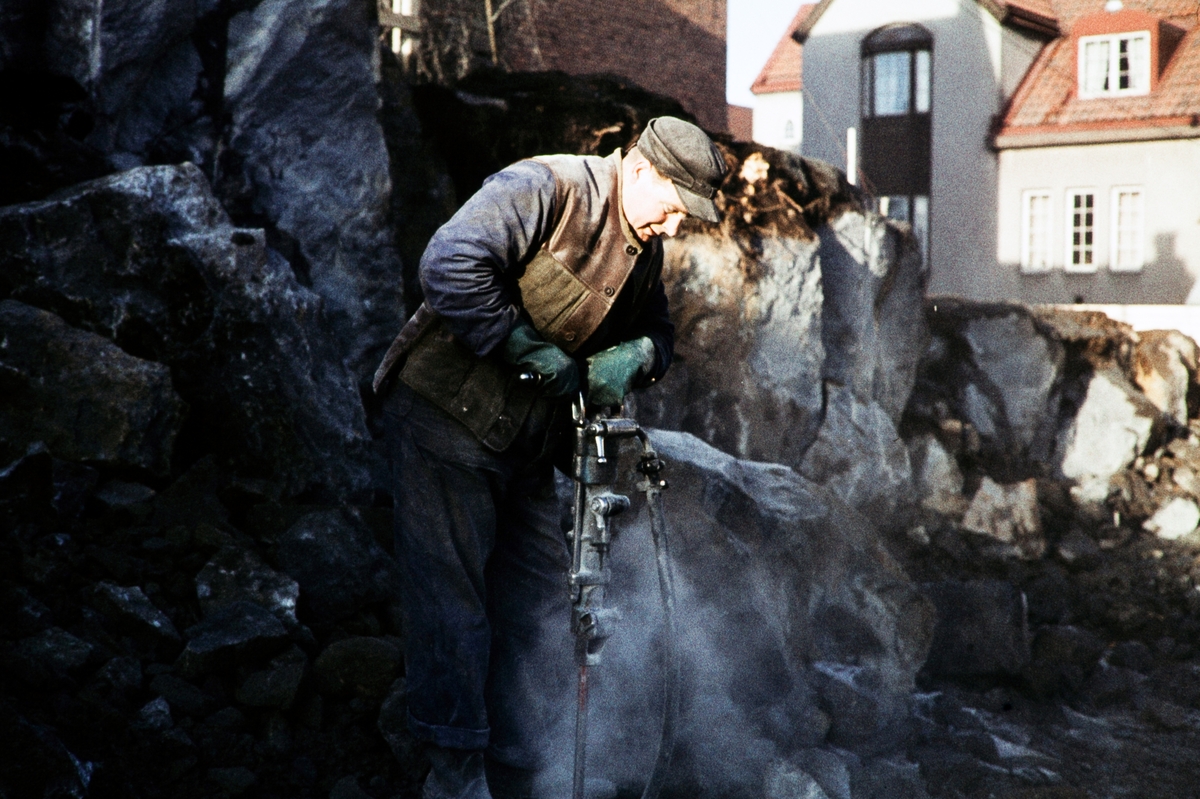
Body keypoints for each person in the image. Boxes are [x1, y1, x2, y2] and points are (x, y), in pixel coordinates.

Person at [375, 117, 726, 799]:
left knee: (538, 603)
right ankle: (455, 776)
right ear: (643, 170)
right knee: (454, 604)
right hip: (447, 419)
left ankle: (525, 764)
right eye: (677, 208)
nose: (677, 227)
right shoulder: (548, 187)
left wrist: (643, 355)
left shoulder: (643, 243)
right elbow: (448, 264)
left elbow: (658, 329)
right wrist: (525, 348)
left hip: (528, 446)